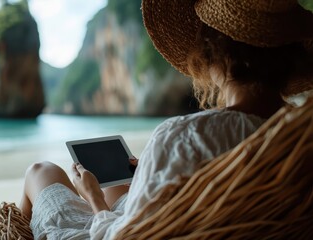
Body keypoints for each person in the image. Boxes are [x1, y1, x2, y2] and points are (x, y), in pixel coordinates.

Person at [19, 0, 313, 239]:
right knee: (117, 186)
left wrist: (93, 199)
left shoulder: (186, 136)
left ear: (214, 53)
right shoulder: (298, 138)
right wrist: (151, 172)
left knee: (41, 169)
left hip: (121, 233)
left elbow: (124, 236)